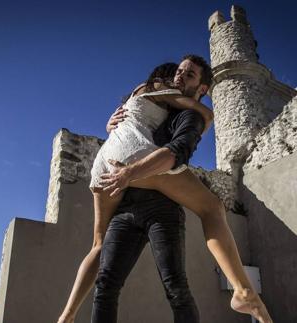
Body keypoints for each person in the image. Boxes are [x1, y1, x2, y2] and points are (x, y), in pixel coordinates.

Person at [59, 55, 272, 323]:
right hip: (129, 155)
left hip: (102, 163)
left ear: (203, 85)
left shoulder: (141, 96)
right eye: (179, 72)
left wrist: (109, 124)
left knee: (98, 245)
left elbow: (131, 115)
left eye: (188, 74)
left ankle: (66, 316)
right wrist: (204, 118)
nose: (180, 76)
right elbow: (204, 114)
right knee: (212, 207)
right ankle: (242, 290)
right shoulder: (164, 90)